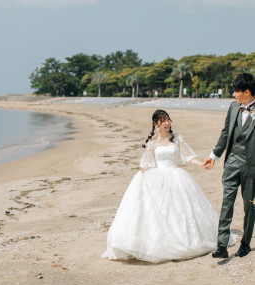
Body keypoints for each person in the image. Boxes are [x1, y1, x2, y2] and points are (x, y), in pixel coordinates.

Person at [102, 110, 235, 263]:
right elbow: (150, 164)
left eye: (168, 120)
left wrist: (201, 164)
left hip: (177, 176)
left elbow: (187, 157)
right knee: (160, 211)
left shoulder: (177, 138)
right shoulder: (151, 143)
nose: (166, 123)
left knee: (182, 210)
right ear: (155, 124)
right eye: (162, 121)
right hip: (159, 177)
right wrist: (143, 173)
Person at [204, 73, 255, 259]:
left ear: (247, 92)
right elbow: (226, 133)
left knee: (251, 206)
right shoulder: (233, 108)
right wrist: (214, 156)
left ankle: (246, 243)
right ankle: (222, 246)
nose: (233, 94)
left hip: (252, 167)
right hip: (232, 163)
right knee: (227, 203)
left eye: (236, 91)